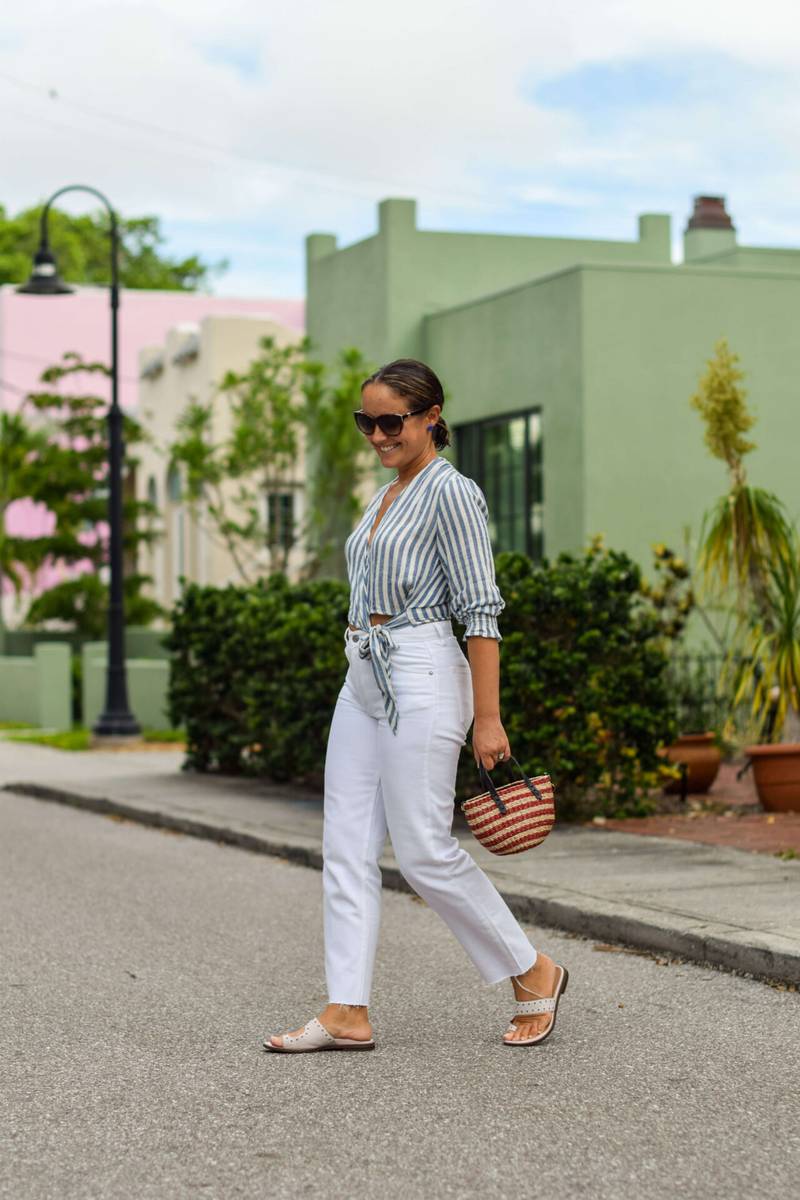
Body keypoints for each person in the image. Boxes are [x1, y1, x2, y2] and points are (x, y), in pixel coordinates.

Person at [265, 359, 568, 1053]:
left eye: (390, 422)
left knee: (426, 851)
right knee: (344, 846)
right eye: (365, 422)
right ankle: (347, 1009)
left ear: (432, 416)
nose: (376, 435)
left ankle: (532, 970)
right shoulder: (384, 497)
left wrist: (487, 718)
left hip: (426, 672)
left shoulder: (451, 493)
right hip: (364, 676)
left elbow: (481, 613)